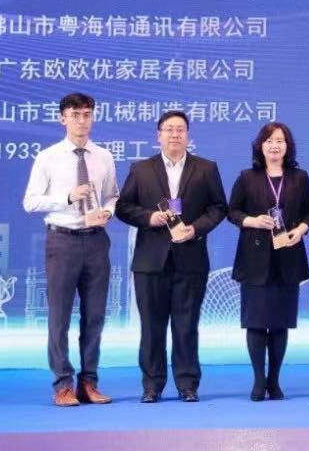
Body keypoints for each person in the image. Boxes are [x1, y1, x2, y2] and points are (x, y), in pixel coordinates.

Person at [117, 110, 228, 403]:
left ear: (188, 135)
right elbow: (123, 207)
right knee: (151, 327)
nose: (175, 134)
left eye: (180, 129)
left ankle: (187, 384)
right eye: (169, 129)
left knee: (186, 325)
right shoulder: (141, 169)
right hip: (150, 261)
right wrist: (149, 217)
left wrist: (196, 229)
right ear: (159, 135)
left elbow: (219, 207)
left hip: (190, 259)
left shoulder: (205, 168)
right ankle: (152, 386)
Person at [22, 92, 119, 407]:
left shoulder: (103, 156)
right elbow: (30, 202)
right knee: (59, 316)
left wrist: (107, 211)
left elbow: (113, 195)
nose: (82, 120)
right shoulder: (48, 157)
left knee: (95, 315)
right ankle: (63, 384)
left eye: (87, 114)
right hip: (63, 240)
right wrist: (67, 197)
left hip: (96, 240)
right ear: (62, 118)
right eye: (75, 114)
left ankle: (89, 382)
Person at [228, 122, 309, 401]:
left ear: (288, 146)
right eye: (269, 141)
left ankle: (274, 380)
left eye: (280, 140)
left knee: (280, 322)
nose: (274, 145)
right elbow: (232, 212)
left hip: (288, 256)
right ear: (260, 146)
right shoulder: (247, 177)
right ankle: (258, 380)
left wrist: (300, 230)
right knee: (255, 322)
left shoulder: (299, 177)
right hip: (254, 259)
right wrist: (252, 221)